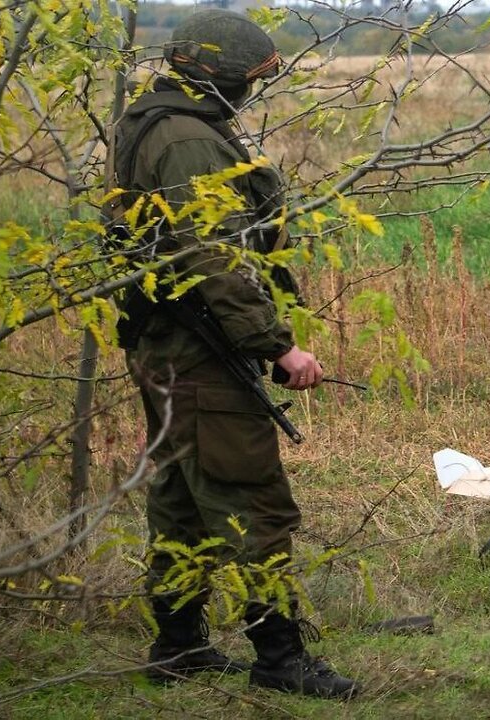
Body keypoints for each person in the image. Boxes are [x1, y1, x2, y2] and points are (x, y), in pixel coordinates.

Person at [111, 9, 358, 698]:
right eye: (248, 78)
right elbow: (215, 258)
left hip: (172, 344)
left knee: (184, 500)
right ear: (217, 76)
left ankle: (178, 646)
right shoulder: (188, 140)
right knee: (254, 502)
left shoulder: (157, 121)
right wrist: (276, 345)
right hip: (199, 348)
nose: (252, 90)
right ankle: (280, 660)